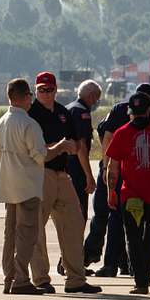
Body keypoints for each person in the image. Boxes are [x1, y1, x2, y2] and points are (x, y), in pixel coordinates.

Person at [27, 71, 102, 294]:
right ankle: (41, 278)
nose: (46, 94)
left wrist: (74, 151)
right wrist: (58, 146)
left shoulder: (62, 112)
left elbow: (76, 142)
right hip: (41, 174)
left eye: (50, 90)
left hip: (63, 173)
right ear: (36, 90)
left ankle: (75, 279)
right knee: (36, 228)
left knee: (74, 223)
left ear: (56, 89)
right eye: (41, 90)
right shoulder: (31, 113)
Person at [105, 92, 150, 294]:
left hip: (130, 197)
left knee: (133, 237)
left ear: (131, 112)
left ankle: (140, 281)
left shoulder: (121, 133)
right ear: (149, 111)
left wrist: (111, 192)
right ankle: (143, 278)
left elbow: (112, 167)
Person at [91, 83, 150, 278]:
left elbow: (107, 139)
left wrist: (106, 168)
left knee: (119, 221)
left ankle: (113, 265)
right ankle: (136, 269)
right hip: (148, 177)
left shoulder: (119, 110)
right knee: (144, 228)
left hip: (125, 174)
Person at [0, 78, 49, 295]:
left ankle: (9, 277)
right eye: (30, 96)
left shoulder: (1, 122)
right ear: (26, 97)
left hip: (7, 185)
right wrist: (61, 147)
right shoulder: (28, 124)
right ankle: (21, 279)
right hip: (27, 186)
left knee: (10, 235)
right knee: (27, 235)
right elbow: (40, 156)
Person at [66, 80, 101, 221]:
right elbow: (81, 145)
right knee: (80, 215)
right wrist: (88, 175)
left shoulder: (68, 108)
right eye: (97, 98)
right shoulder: (82, 112)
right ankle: (77, 243)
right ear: (91, 96)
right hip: (76, 169)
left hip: (64, 167)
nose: (96, 102)